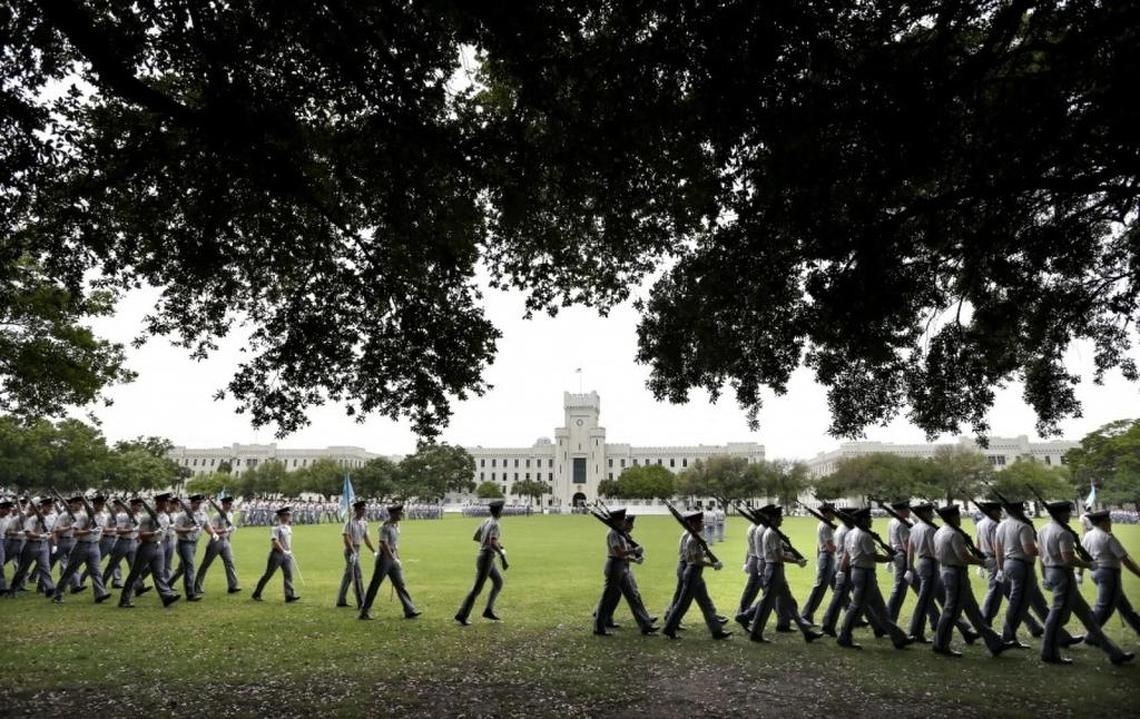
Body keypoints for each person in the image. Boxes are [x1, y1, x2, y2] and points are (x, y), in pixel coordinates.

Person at [1038, 500, 1133, 665]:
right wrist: (1088, 565)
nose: (1069, 515)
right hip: (1063, 576)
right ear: (1061, 513)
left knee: (1088, 617)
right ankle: (1049, 652)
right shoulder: (1063, 532)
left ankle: (1114, 653)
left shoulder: (1043, 530)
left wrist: (1044, 575)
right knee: (1057, 616)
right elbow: (1068, 559)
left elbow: (1041, 555)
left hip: (1052, 572)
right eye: (1067, 512)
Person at [930, 504, 1015, 658]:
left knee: (974, 612)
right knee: (951, 611)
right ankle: (940, 644)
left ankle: (995, 643)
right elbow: (964, 556)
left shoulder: (940, 532)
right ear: (952, 517)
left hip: (949, 571)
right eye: (957, 515)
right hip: (956, 573)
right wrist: (983, 563)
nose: (959, 518)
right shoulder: (954, 534)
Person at [745, 505, 823, 644]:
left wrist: (793, 557)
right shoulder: (773, 533)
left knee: (790, 604)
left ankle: (807, 632)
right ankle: (756, 632)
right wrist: (796, 561)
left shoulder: (772, 532)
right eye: (780, 517)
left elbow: (780, 554)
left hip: (776, 570)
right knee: (766, 604)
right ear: (774, 518)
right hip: (774, 569)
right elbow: (778, 556)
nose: (782, 519)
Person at [836, 508, 912, 650]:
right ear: (863, 520)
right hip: (864, 574)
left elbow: (846, 555)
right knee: (856, 607)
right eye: (869, 518)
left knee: (880, 609)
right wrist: (891, 558)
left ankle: (898, 638)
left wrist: (841, 570)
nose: (871, 520)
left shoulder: (850, 533)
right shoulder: (865, 536)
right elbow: (873, 556)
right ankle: (844, 636)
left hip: (860, 573)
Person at [662, 511, 731, 640]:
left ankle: (717, 631)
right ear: (692, 524)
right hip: (692, 572)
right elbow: (695, 560)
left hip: (696, 573)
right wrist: (713, 565)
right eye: (700, 522)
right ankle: (669, 628)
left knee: (706, 603)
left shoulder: (695, 537)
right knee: (683, 604)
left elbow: (698, 556)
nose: (703, 523)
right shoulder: (693, 539)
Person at [593, 509, 656, 636]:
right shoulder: (613, 534)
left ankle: (646, 625)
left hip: (621, 566)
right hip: (615, 565)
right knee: (607, 599)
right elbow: (619, 553)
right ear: (617, 520)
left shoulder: (619, 533)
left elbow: (623, 554)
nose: (624, 522)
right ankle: (598, 627)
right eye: (622, 520)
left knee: (633, 596)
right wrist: (634, 551)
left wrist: (634, 559)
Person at [1080, 509, 1140, 643]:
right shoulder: (1108, 537)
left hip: (1096, 573)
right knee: (1104, 607)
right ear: (1103, 522)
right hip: (1109, 574)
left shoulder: (1088, 535)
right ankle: (1091, 636)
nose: (1110, 523)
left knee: (1124, 606)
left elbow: (1083, 556)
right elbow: (1125, 560)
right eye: (1108, 521)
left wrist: (1080, 573)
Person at [359, 504, 420, 620]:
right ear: (392, 514)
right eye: (399, 513)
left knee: (400, 585)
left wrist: (398, 557)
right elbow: (383, 544)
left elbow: (394, 544)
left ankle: (409, 610)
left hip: (392, 557)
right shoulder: (384, 527)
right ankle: (364, 611)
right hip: (384, 558)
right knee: (375, 585)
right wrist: (393, 558)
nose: (401, 515)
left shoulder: (396, 526)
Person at [119, 494, 180, 608]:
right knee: (135, 574)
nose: (167, 504)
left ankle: (166, 597)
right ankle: (124, 600)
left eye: (167, 502)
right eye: (164, 502)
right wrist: (154, 532)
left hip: (159, 546)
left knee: (159, 574)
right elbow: (141, 535)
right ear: (158, 503)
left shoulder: (165, 517)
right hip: (147, 547)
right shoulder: (147, 517)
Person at [456, 499, 507, 625]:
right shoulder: (495, 524)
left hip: (486, 556)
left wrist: (494, 545)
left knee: (498, 582)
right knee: (477, 588)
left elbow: (477, 536)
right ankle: (462, 614)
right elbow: (492, 542)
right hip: (486, 557)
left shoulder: (486, 521)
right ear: (499, 510)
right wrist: (502, 555)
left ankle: (488, 610)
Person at [51, 496, 111, 604]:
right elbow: (75, 533)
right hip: (81, 545)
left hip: (94, 546)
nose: (101, 506)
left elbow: (101, 531)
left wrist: (97, 538)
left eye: (102, 504)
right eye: (99, 504)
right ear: (94, 504)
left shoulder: (104, 516)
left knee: (96, 572)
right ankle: (57, 594)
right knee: (70, 571)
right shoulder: (84, 516)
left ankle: (100, 594)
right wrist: (89, 531)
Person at [7, 498, 56, 597]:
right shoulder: (34, 518)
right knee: (22, 570)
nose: (50, 507)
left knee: (45, 568)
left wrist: (52, 541)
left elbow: (53, 531)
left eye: (51, 506)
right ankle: (12, 588)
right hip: (31, 545)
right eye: (48, 506)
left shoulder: (52, 517)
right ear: (42, 506)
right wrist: (41, 536)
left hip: (44, 545)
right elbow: (28, 533)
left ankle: (49, 588)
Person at [193, 496, 241, 596]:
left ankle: (232, 586)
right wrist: (226, 530)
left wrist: (229, 538)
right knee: (206, 564)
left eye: (230, 504)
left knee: (230, 562)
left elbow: (229, 529)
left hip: (225, 541)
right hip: (216, 541)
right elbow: (213, 530)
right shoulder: (217, 515)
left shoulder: (230, 514)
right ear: (223, 504)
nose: (230, 505)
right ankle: (197, 585)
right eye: (228, 504)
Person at [252, 506, 300, 603]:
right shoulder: (276, 528)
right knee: (268, 574)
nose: (286, 517)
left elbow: (288, 541)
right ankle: (257, 593)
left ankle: (289, 595)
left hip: (287, 554)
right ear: (279, 517)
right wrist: (284, 551)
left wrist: (289, 550)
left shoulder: (289, 528)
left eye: (288, 515)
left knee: (289, 574)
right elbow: (275, 541)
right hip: (277, 554)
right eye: (284, 515)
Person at [800, 502, 838, 625]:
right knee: (820, 588)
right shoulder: (826, 526)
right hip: (827, 558)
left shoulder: (823, 524)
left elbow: (818, 544)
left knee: (839, 588)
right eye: (832, 511)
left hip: (826, 558)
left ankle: (852, 613)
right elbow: (830, 547)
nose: (835, 514)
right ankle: (806, 615)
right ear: (827, 513)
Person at [172, 495, 215, 601]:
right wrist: (190, 529)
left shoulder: (203, 514)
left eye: (200, 503)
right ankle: (190, 594)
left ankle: (167, 584)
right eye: (196, 503)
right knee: (190, 567)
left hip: (194, 543)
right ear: (191, 503)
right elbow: (177, 529)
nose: (198, 505)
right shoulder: (183, 515)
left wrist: (213, 534)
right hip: (184, 543)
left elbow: (206, 526)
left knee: (182, 568)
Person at [337, 500, 373, 608]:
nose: (364, 511)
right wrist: (352, 551)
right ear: (356, 510)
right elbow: (346, 538)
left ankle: (341, 600)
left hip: (357, 549)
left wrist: (373, 550)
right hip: (350, 551)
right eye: (362, 509)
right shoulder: (349, 522)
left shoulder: (364, 523)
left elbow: (366, 538)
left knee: (348, 576)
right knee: (357, 575)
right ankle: (361, 602)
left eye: (365, 509)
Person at [974, 501, 1005, 623]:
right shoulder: (994, 525)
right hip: (995, 558)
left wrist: (980, 562)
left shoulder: (980, 523)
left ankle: (1032, 624)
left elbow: (978, 543)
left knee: (1004, 590)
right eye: (998, 511)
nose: (1000, 514)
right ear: (992, 512)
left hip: (986, 555)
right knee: (995, 590)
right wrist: (1001, 565)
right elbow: (995, 547)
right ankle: (985, 618)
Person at [884, 501, 915, 622]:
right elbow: (907, 546)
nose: (909, 511)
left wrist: (889, 557)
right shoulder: (903, 524)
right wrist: (910, 566)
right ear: (901, 511)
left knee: (921, 589)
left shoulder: (892, 522)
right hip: (903, 557)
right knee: (899, 590)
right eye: (907, 509)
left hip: (897, 554)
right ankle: (889, 619)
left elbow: (889, 541)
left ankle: (934, 618)